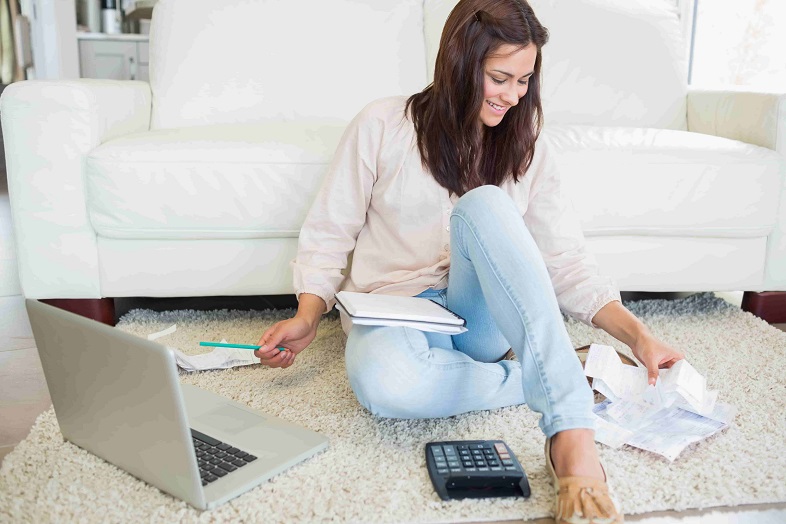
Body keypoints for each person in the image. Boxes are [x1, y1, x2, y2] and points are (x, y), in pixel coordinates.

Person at [255, 0, 684, 522]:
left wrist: (638, 335)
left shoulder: (528, 147)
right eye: (500, 77)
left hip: (478, 322)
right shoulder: (382, 124)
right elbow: (329, 231)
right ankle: (557, 368)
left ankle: (570, 427)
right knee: (387, 386)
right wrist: (307, 314)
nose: (513, 95)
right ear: (460, 62)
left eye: (525, 80)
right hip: (394, 313)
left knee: (484, 203)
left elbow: (566, 261)